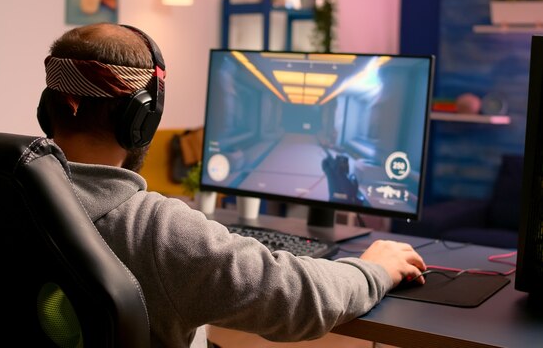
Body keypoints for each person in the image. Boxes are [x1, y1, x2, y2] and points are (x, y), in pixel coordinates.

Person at [37, 22, 427, 348]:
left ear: (46, 108)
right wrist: (374, 269)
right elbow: (300, 300)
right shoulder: (155, 229)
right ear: (142, 119)